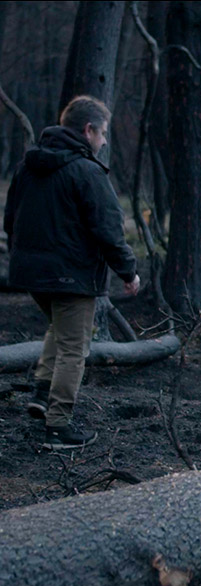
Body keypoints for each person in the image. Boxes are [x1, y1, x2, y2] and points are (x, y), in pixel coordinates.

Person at [3, 95, 140, 450]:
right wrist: (128, 270)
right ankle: (59, 427)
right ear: (88, 129)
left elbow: (9, 220)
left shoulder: (27, 167)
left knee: (60, 332)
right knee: (74, 349)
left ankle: (41, 393)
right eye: (104, 133)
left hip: (30, 274)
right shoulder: (87, 171)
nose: (105, 141)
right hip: (72, 276)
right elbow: (109, 228)